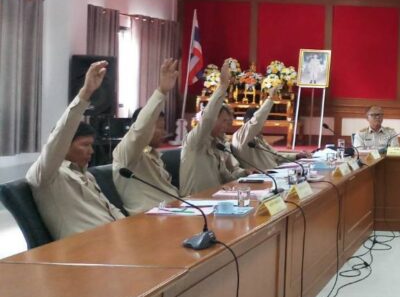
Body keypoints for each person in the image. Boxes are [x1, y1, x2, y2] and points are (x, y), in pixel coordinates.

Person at [26, 60, 125, 239]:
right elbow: (60, 136)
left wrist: (129, 229)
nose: (91, 151)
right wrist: (85, 93)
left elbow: (111, 211)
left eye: (91, 145)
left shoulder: (86, 174)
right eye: (85, 145)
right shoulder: (47, 175)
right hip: (85, 247)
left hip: (114, 238)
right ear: (65, 145)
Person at [113, 58, 181, 212]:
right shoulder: (127, 153)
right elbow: (141, 128)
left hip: (173, 211)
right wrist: (161, 92)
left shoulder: (153, 154)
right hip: (148, 218)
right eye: (160, 128)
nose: (164, 133)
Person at [180, 60, 246, 196]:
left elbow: (226, 177)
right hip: (194, 203)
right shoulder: (195, 141)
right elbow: (207, 119)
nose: (226, 126)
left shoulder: (218, 144)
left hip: (215, 200)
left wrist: (246, 173)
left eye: (228, 123)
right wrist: (222, 87)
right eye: (223, 121)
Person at [231, 84, 297, 170]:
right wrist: (270, 99)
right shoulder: (241, 136)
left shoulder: (258, 138)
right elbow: (257, 120)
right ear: (248, 121)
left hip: (274, 173)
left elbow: (275, 156)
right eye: (262, 122)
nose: (262, 125)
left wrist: (296, 156)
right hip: (259, 176)